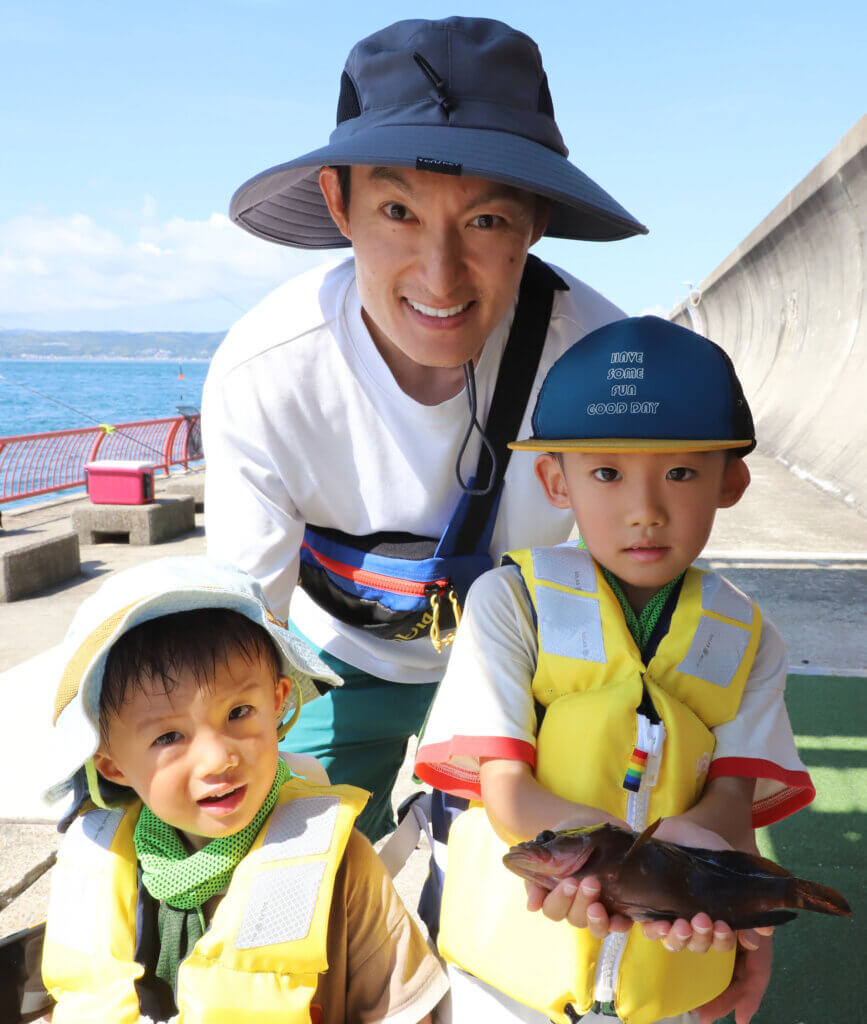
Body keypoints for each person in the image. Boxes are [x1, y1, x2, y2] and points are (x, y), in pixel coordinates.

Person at [202, 15, 648, 842]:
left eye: (485, 222)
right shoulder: (265, 371)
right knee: (280, 874)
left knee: (540, 894)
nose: (440, 275)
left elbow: (640, 578)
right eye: (398, 210)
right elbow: (241, 619)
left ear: (535, 219)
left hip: (535, 663)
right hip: (340, 661)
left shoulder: (599, 366)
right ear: (340, 202)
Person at [414, 317, 815, 1024]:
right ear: (553, 480)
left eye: (682, 472)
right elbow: (503, 788)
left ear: (732, 481)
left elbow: (730, 809)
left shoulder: (751, 638)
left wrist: (748, 937)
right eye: (605, 472)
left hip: (675, 966)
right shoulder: (510, 603)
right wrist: (594, 851)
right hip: (508, 981)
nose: (644, 510)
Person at [41, 557, 448, 1024]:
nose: (219, 759)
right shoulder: (98, 863)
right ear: (111, 766)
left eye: (239, 713)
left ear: (277, 702)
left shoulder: (342, 866)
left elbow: (407, 1014)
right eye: (168, 737)